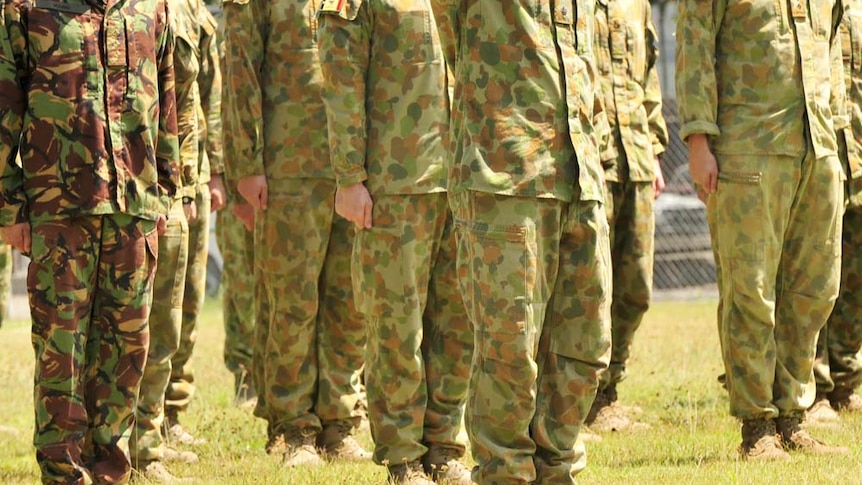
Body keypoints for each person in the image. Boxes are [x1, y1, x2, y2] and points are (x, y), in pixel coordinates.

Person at [430, 1, 613, 483]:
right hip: (504, 173)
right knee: (507, 348)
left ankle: (557, 470)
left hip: (579, 171)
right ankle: (505, 473)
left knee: (586, 342)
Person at [0, 0, 179, 481]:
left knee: (126, 352)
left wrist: (163, 191)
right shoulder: (26, 9)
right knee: (63, 352)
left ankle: (109, 471)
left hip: (133, 209)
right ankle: (64, 472)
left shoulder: (152, 8)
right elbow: (4, 106)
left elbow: (167, 101)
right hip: (61, 211)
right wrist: (9, 206)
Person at [676, 0, 850, 460]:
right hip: (748, 147)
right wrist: (698, 138)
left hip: (818, 148)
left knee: (814, 290)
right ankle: (757, 427)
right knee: (750, 292)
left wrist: (837, 136)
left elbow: (831, 50)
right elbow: (694, 42)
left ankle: (794, 415)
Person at [318, 1, 473, 483]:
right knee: (395, 328)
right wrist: (349, 176)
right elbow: (340, 77)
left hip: (461, 176)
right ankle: (403, 456)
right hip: (394, 181)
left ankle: (445, 447)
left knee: (458, 325)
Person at [221, 0, 369, 466]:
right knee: (291, 301)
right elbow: (241, 68)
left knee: (349, 302)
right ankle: (293, 428)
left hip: (353, 165)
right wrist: (246, 165)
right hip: (287, 166)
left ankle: (339, 424)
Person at [131, 0, 220, 480]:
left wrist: (188, 181)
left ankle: (155, 429)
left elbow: (189, 102)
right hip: (122, 185)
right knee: (127, 320)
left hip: (175, 182)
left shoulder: (185, 11)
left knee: (173, 313)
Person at [588, 0, 669, 433]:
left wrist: (654, 149)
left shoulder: (635, 4)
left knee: (635, 285)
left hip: (634, 155)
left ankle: (609, 388)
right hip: (589, 158)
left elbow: (649, 75)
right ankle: (583, 396)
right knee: (588, 287)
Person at [164, 0, 226, 445]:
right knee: (153, 304)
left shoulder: (196, 14)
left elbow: (211, 97)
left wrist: (217, 171)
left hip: (197, 175)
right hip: (154, 177)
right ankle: (139, 418)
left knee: (189, 299)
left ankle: (172, 414)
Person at [809, 0, 862, 423]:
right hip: (821, 151)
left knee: (856, 276)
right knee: (817, 273)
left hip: (858, 155)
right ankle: (815, 388)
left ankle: (846, 380)